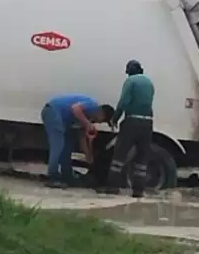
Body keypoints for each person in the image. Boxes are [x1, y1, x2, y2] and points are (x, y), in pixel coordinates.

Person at [41, 94, 115, 185]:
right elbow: (75, 108)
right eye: (103, 120)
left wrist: (88, 156)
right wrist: (87, 124)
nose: (100, 123)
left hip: (63, 120)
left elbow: (82, 139)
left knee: (68, 146)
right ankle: (52, 177)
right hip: (53, 111)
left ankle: (66, 174)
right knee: (58, 145)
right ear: (101, 113)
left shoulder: (87, 118)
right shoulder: (93, 105)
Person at [108, 59, 155, 198]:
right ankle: (138, 191)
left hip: (132, 121)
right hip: (148, 123)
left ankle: (112, 188)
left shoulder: (131, 81)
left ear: (129, 71)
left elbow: (123, 102)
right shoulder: (149, 83)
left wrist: (114, 119)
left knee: (120, 154)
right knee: (142, 157)